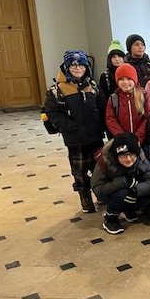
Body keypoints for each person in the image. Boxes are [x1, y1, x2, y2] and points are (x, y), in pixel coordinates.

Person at [44, 50, 104, 213]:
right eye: (73, 65)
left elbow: (102, 107)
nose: (78, 68)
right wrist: (69, 126)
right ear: (66, 67)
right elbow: (52, 112)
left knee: (99, 167)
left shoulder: (93, 86)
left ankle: (101, 193)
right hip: (75, 139)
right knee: (79, 171)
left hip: (95, 137)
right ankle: (85, 196)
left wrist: (101, 126)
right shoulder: (57, 90)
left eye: (81, 65)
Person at [92, 133, 150, 235]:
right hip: (111, 193)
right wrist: (121, 182)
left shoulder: (140, 158)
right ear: (116, 155)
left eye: (131, 154)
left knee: (149, 203)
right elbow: (97, 188)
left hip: (133, 189)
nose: (128, 159)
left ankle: (128, 209)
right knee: (122, 194)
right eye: (123, 155)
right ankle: (110, 218)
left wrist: (136, 190)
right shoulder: (105, 161)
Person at [105, 63, 148, 145]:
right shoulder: (114, 99)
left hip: (142, 140)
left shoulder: (143, 95)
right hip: (122, 141)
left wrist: (138, 138)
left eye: (129, 79)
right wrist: (123, 138)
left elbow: (147, 117)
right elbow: (111, 119)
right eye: (121, 79)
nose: (125, 82)